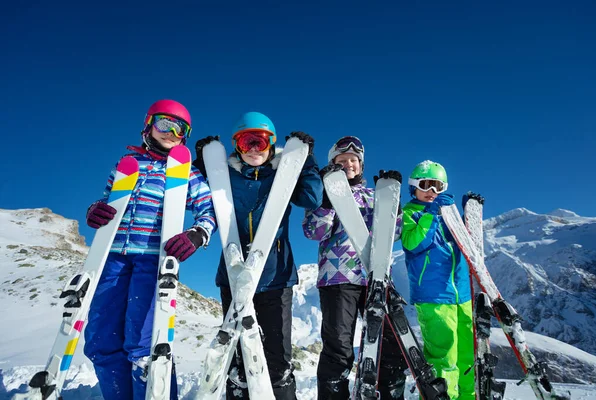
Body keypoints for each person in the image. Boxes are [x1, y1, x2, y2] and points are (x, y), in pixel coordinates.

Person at [83, 99, 217, 400]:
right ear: (148, 125)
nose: (170, 132)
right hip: (113, 258)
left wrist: (197, 234)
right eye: (163, 124)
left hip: (151, 261)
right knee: (100, 338)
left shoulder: (187, 174)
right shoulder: (126, 165)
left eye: (178, 128)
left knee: (143, 342)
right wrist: (96, 210)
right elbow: (108, 199)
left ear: (185, 135)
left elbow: (208, 211)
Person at [193, 111, 322, 400]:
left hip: (275, 276)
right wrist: (202, 164)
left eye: (260, 142)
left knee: (276, 356)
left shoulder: (282, 177)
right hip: (233, 272)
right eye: (246, 141)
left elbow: (312, 198)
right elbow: (198, 197)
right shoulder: (227, 177)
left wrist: (306, 160)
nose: (253, 149)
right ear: (237, 145)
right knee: (237, 353)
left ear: (271, 145)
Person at [302, 136, 407, 400]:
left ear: (361, 165)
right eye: (341, 161)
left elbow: (394, 233)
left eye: (353, 160)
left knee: (390, 344)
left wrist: (392, 201)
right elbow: (314, 231)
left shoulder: (373, 196)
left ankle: (390, 393)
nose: (349, 164)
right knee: (338, 347)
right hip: (338, 280)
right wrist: (327, 200)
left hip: (377, 278)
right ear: (333, 165)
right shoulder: (323, 197)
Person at [401, 160, 475, 400]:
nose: (432, 192)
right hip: (434, 295)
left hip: (462, 293)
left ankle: (467, 395)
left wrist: (467, 217)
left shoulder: (447, 213)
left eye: (438, 187)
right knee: (444, 355)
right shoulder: (411, 212)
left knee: (467, 352)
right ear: (414, 187)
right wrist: (431, 215)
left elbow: (466, 246)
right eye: (426, 185)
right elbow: (413, 243)